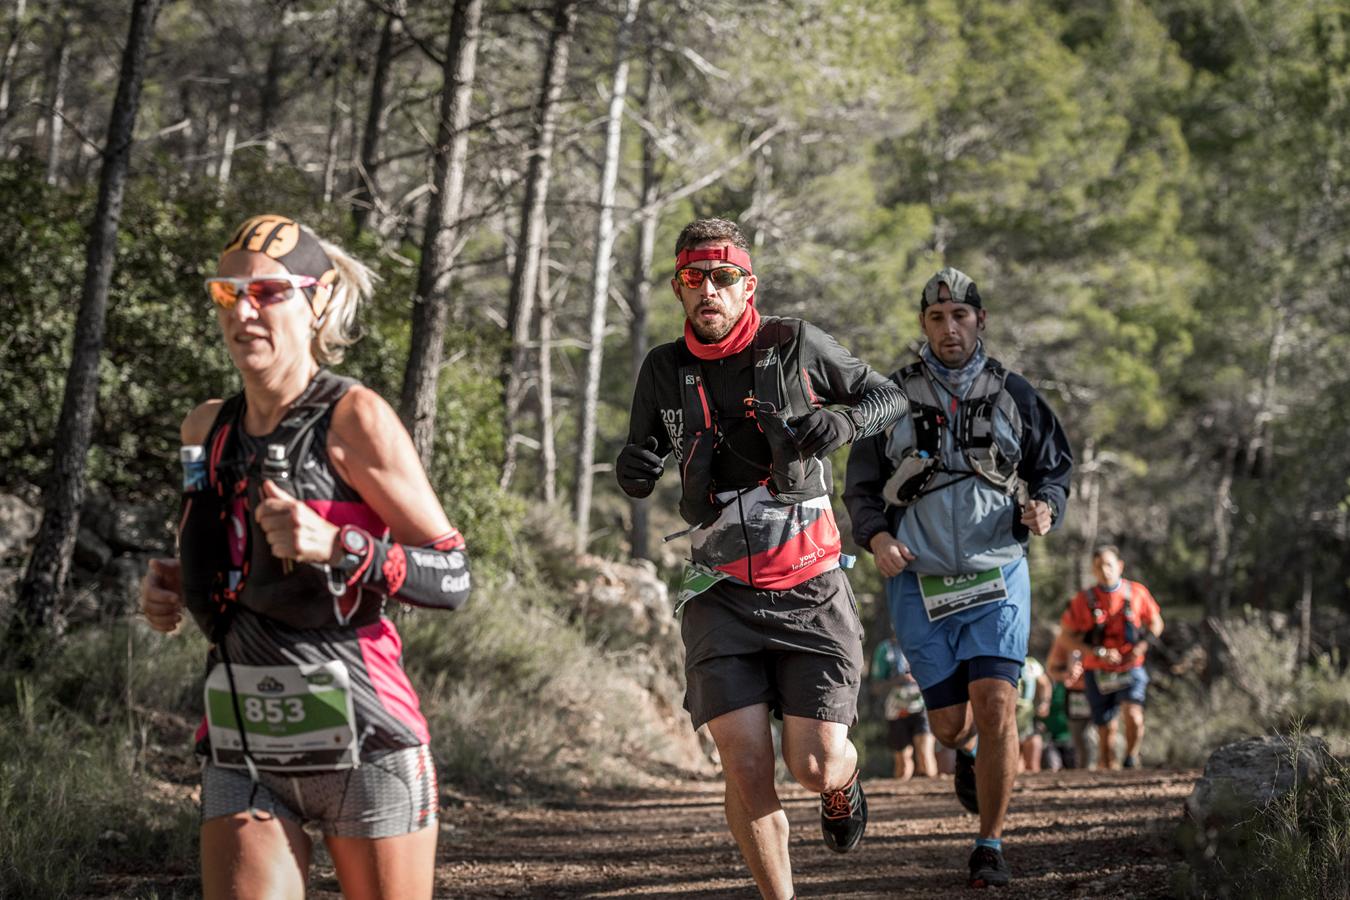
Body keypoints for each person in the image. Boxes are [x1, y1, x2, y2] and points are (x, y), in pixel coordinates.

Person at [138, 214, 471, 900]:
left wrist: (340, 544)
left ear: (317, 302)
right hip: (243, 742)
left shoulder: (355, 417)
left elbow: (455, 576)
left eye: (269, 293)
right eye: (229, 294)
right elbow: (207, 545)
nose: (245, 311)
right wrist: (168, 585)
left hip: (367, 740)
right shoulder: (205, 428)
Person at [615, 217, 905, 899]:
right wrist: (635, 466)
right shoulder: (664, 368)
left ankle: (844, 785)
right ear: (679, 289)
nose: (708, 290)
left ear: (749, 287)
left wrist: (845, 420)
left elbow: (887, 396)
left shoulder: (795, 343)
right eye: (695, 279)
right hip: (718, 591)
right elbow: (640, 459)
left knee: (814, 764)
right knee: (746, 768)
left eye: (723, 278)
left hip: (810, 588)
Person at [844, 266, 1073, 889]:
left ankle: (989, 846)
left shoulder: (1016, 393)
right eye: (938, 318)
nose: (950, 328)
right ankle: (967, 755)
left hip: (997, 573)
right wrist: (877, 535)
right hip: (919, 582)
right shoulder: (889, 398)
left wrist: (1046, 506)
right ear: (924, 324)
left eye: (961, 316)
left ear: (980, 321)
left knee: (998, 705)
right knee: (948, 725)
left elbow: (1054, 469)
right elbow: (859, 485)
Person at [1059, 545, 1164, 770]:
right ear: (1093, 571)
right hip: (1097, 670)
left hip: (1131, 666)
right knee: (1106, 730)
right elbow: (1066, 638)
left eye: (1109, 564)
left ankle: (1131, 757)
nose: (1105, 570)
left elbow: (1156, 623)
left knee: (1134, 714)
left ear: (1120, 566)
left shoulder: (1137, 592)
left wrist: (1143, 646)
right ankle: (1109, 775)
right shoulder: (1082, 600)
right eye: (1098, 566)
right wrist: (1095, 652)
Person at [870, 635, 938, 780]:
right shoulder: (885, 650)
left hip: (921, 706)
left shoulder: (921, 643)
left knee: (925, 756)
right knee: (903, 767)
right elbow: (876, 687)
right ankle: (904, 799)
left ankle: (930, 796)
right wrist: (898, 681)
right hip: (896, 711)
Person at [1046, 628, 1092, 769]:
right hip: (1075, 693)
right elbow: (1052, 669)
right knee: (1080, 735)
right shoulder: (1063, 643)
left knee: (1102, 730)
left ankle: (1104, 765)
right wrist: (1067, 674)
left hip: (1098, 690)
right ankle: (1085, 770)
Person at [1015, 656, 1052, 773]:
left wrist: (1045, 703)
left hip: (1028, 716)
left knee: (1032, 765)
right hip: (1009, 716)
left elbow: (1045, 683)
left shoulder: (1031, 663)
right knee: (1014, 765)